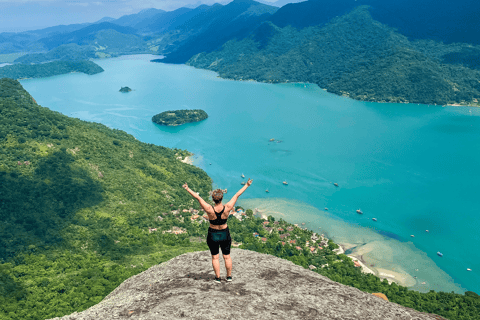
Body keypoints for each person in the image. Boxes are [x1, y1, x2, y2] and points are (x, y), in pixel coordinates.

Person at [183, 178, 253, 283]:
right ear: (221, 198)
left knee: (215, 257)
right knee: (227, 256)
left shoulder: (208, 208)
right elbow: (237, 195)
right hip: (224, 233)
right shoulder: (228, 207)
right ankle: (229, 277)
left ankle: (218, 278)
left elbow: (198, 197)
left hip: (213, 234)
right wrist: (247, 185)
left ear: (213, 199)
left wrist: (187, 189)